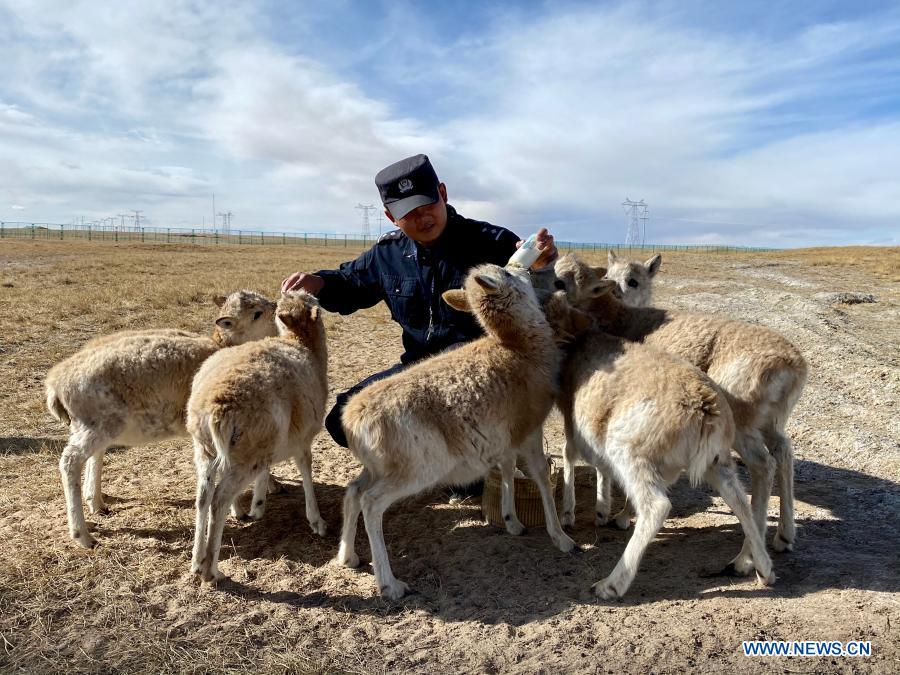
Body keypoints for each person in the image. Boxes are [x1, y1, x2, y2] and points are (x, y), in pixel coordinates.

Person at [281, 154, 557, 496]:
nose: (421, 217)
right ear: (390, 217)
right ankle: (430, 463)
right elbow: (351, 283)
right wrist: (318, 283)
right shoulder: (387, 254)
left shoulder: (494, 243)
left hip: (482, 378)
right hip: (419, 369)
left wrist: (542, 267)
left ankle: (476, 459)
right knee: (345, 420)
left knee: (468, 486)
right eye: (407, 213)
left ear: (442, 193)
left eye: (427, 204)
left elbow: (540, 300)